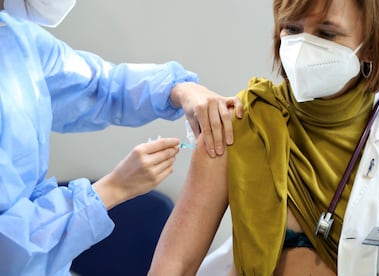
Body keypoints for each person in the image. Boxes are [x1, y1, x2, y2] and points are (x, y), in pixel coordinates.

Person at [148, 0, 379, 275]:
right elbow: (173, 266)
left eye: (326, 33)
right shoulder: (240, 122)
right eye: (292, 28)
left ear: (370, 45)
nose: (303, 47)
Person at [0, 0, 243, 275]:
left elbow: (100, 85)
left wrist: (178, 89)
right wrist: (112, 189)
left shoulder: (14, 37)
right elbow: (8, 248)